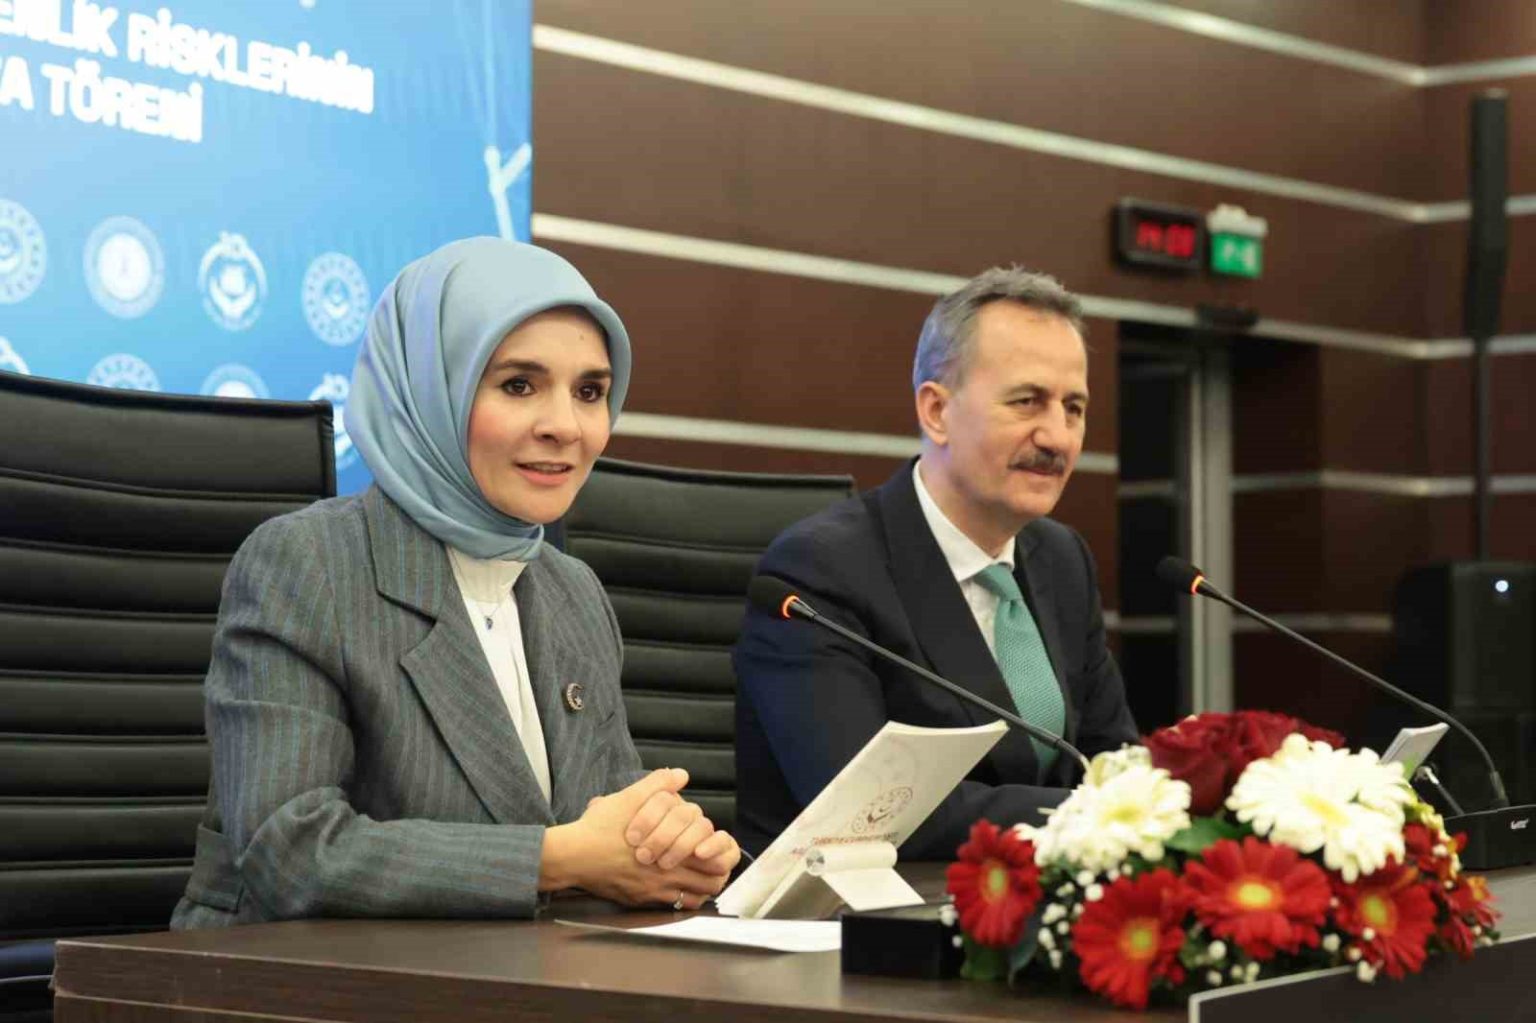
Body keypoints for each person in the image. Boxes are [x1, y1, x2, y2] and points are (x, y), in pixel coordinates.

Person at [172, 238, 738, 927]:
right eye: (519, 385)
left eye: (590, 391)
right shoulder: (306, 564)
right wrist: (557, 858)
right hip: (291, 974)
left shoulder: (574, 591)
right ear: (428, 390)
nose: (566, 426)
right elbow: (289, 851)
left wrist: (668, 853)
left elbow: (612, 824)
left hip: (524, 970)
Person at [732, 267, 1138, 860]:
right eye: (1027, 402)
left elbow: (1110, 757)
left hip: (1029, 893)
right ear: (936, 412)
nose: (1057, 437)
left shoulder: (1061, 559)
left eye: (1073, 408)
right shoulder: (821, 571)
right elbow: (872, 808)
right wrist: (1099, 814)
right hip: (856, 907)